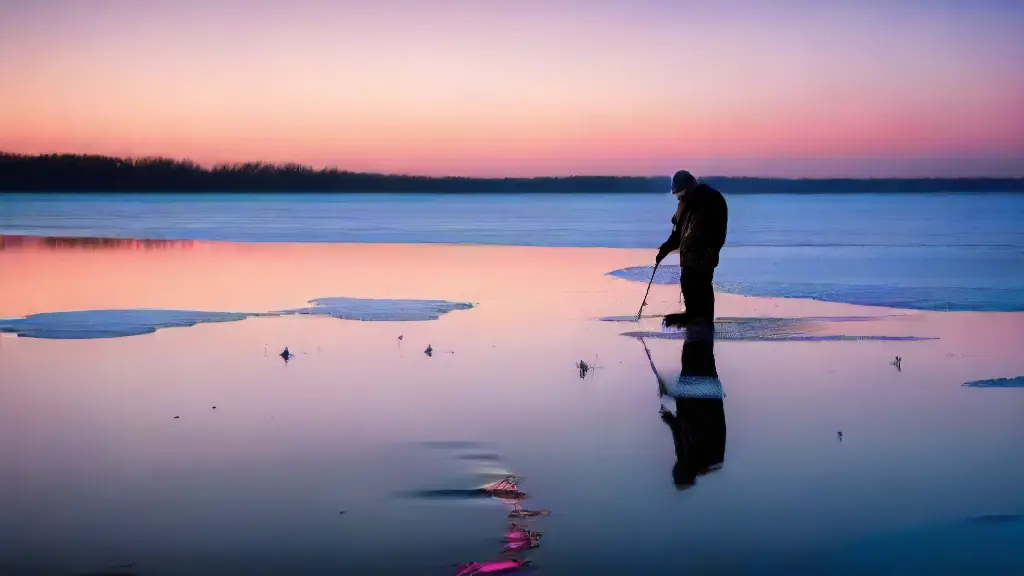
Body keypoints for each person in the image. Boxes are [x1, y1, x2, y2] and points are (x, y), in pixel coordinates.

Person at [656, 170, 728, 327]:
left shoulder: (711, 199)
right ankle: (694, 316)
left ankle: (702, 321)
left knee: (701, 286)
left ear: (687, 188)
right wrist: (665, 249)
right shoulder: (687, 204)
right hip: (689, 255)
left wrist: (712, 250)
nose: (679, 198)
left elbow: (718, 230)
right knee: (688, 283)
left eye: (680, 194)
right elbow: (678, 234)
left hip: (703, 255)